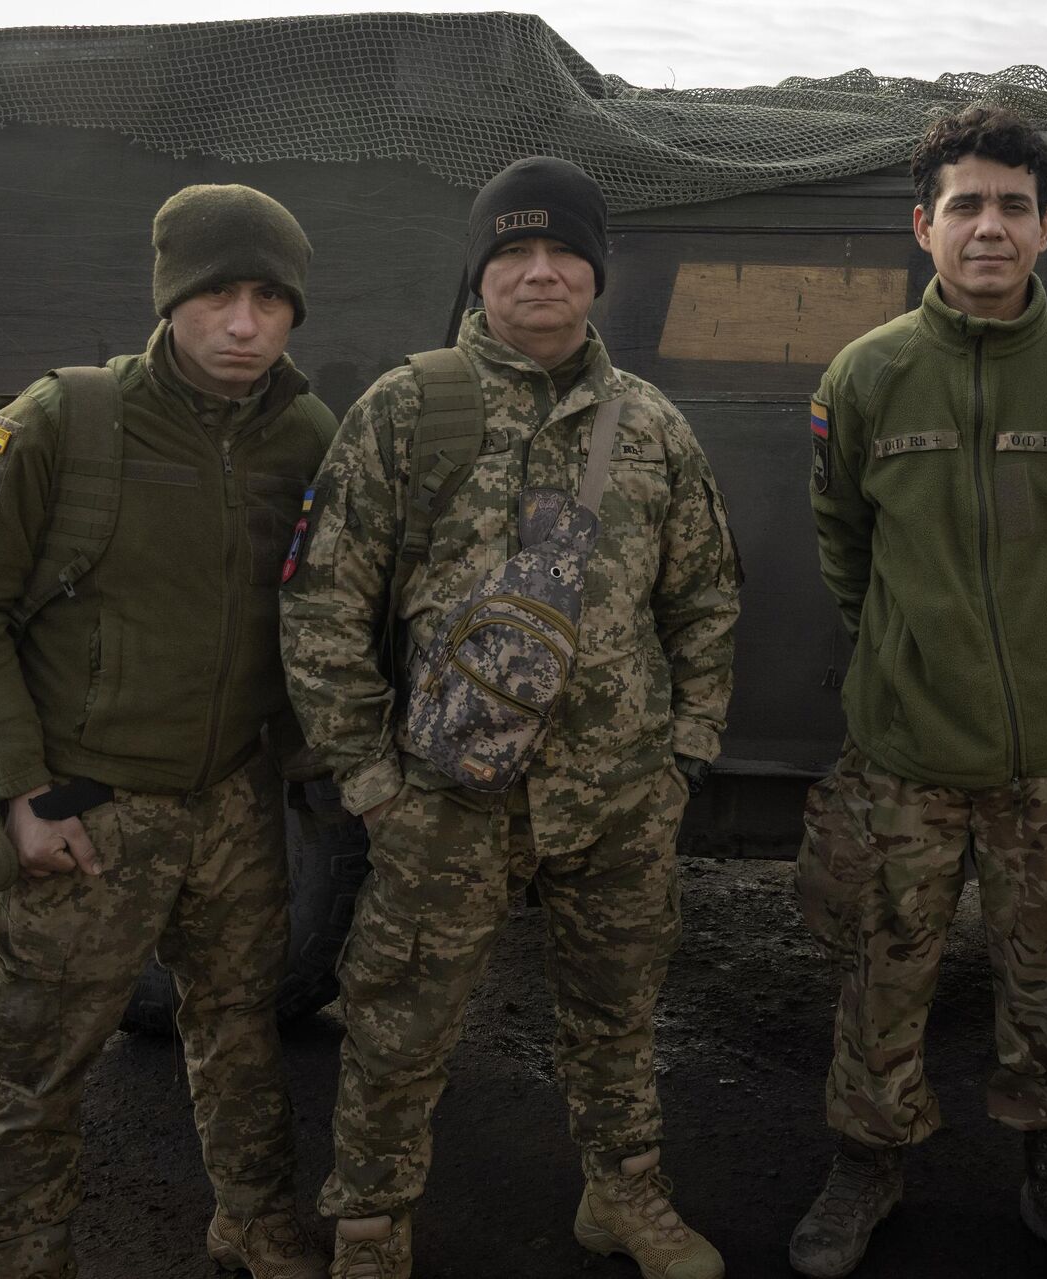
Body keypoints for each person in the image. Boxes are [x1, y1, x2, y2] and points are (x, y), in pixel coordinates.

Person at [280, 156, 741, 1279]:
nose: (540, 274)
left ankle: (625, 1193)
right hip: (444, 793)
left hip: (618, 792)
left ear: (597, 274)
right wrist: (367, 776)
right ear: (481, 272)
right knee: (398, 1022)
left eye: (563, 254)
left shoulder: (651, 426)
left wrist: (683, 753)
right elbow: (324, 600)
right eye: (513, 254)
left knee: (617, 1011)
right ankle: (374, 1225)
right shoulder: (408, 407)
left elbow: (706, 596)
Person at [0, 184, 338, 1279]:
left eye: (266, 299)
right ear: (170, 300)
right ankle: (23, 1257)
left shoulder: (307, 432)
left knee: (241, 1027)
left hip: (234, 801)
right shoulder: (67, 419)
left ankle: (251, 1217)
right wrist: (18, 785)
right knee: (37, 1063)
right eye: (215, 296)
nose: (242, 324)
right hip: (85, 806)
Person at [791, 105, 1047, 1279]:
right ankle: (864, 1170)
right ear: (923, 226)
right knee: (879, 979)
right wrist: (909, 649)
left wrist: (1043, 651)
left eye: (1011, 205)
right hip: (900, 758)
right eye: (965, 204)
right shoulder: (867, 375)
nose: (987, 226)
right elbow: (844, 541)